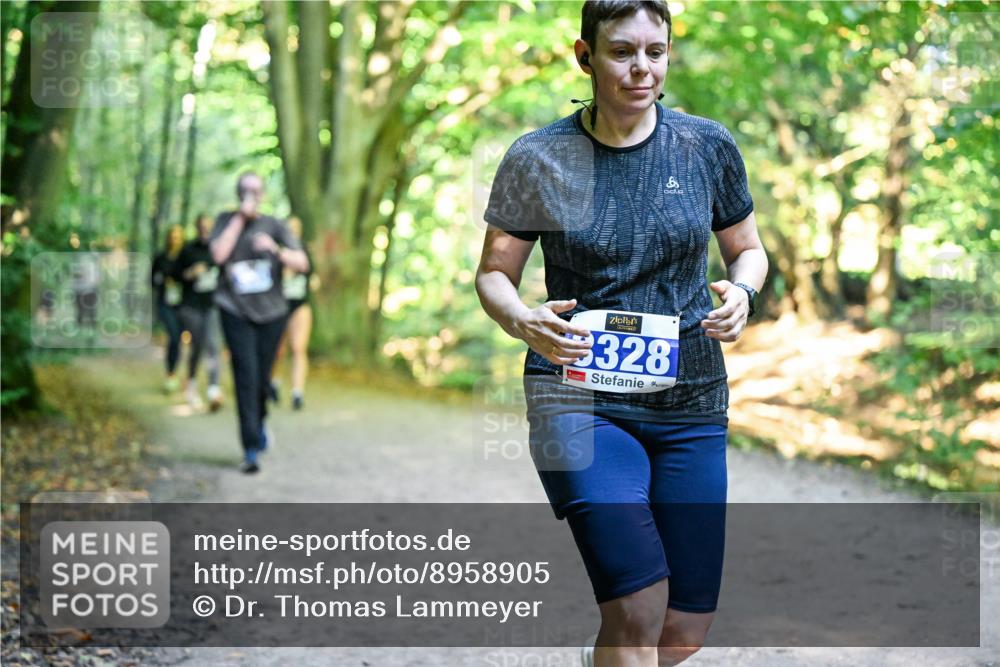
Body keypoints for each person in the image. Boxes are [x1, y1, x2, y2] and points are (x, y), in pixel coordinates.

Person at [475, 2, 768, 665]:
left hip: (690, 399)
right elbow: (494, 273)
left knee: (681, 634)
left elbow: (747, 249)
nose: (641, 69)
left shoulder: (706, 146)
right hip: (576, 395)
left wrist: (743, 291)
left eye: (655, 52)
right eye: (621, 52)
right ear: (585, 56)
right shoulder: (538, 158)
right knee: (636, 608)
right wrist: (522, 318)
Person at [210, 172, 309, 473]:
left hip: (272, 312)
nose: (251, 194)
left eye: (256, 190)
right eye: (245, 190)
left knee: (263, 379)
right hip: (234, 310)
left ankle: (260, 421)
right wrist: (240, 220)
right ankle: (250, 448)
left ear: (263, 193)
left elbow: (302, 263)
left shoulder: (275, 225)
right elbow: (218, 256)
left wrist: (275, 249)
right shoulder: (225, 221)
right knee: (245, 375)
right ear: (238, 192)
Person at [174, 214, 224, 411]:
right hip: (191, 305)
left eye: (208, 227)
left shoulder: (219, 250)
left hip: (213, 305)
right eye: (202, 227)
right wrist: (190, 273)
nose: (205, 230)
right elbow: (175, 275)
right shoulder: (188, 250)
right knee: (197, 345)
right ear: (197, 228)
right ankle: (192, 384)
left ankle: (213, 388)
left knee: (213, 344)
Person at [271, 216, 314, 411]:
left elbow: (312, 273)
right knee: (278, 350)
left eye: (297, 228)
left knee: (298, 348)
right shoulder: (275, 252)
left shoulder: (305, 251)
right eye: (290, 228)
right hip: (278, 306)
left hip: (300, 305)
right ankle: (273, 382)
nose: (294, 231)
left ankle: (297, 392)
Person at [151, 224, 185, 393]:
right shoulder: (160, 257)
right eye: (172, 236)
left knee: (177, 340)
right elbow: (151, 281)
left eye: (178, 236)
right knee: (173, 336)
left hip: (183, 304)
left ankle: (173, 372)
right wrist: (162, 282)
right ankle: (170, 374)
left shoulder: (185, 257)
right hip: (165, 303)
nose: (174, 239)